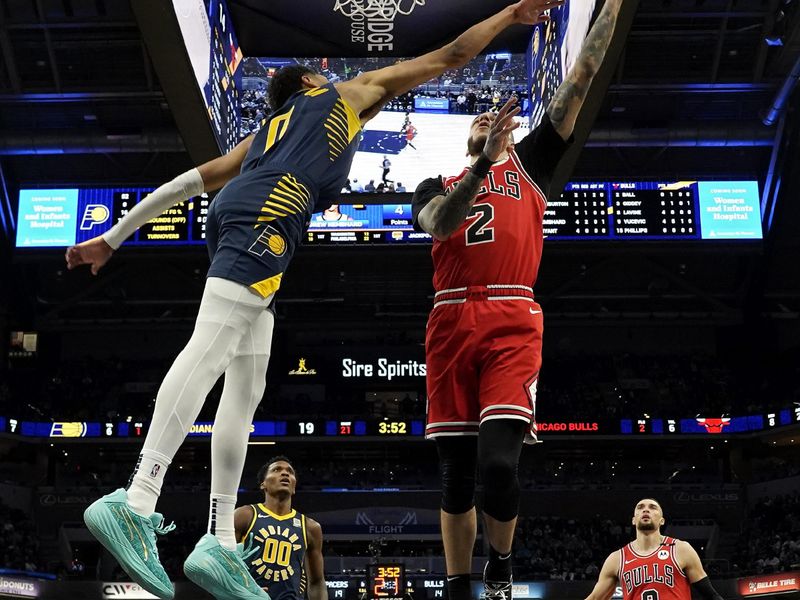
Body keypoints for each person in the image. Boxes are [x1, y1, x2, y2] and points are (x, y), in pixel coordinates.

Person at [64, 2, 563, 599]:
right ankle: (138, 498)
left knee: (245, 389)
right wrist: (509, 13)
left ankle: (221, 540)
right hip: (267, 217)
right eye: (320, 74)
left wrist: (113, 237)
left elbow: (194, 180)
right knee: (209, 351)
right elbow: (452, 55)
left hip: (242, 216)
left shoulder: (271, 132)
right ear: (308, 83)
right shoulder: (339, 96)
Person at [410, 2, 622, 600]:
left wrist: (613, 7)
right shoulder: (436, 185)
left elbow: (580, 74)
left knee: (498, 467)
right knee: (454, 476)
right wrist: (479, 165)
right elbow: (440, 226)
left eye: (492, 119)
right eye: (477, 121)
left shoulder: (531, 165)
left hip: (511, 315)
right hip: (450, 316)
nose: (485, 120)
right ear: (469, 139)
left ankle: (499, 565)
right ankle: (457, 585)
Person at [585, 499, 724, 600]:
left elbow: (711, 595)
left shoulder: (681, 549)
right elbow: (595, 598)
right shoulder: (617, 558)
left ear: (662, 520)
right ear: (633, 520)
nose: (646, 510)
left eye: (653, 507)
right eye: (640, 507)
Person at [234, 457, 325, 600]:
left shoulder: (310, 527)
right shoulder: (245, 515)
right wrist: (239, 591)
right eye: (277, 470)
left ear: (294, 487)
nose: (285, 473)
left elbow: (317, 581)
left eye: (290, 472)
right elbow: (222, 564)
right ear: (263, 484)